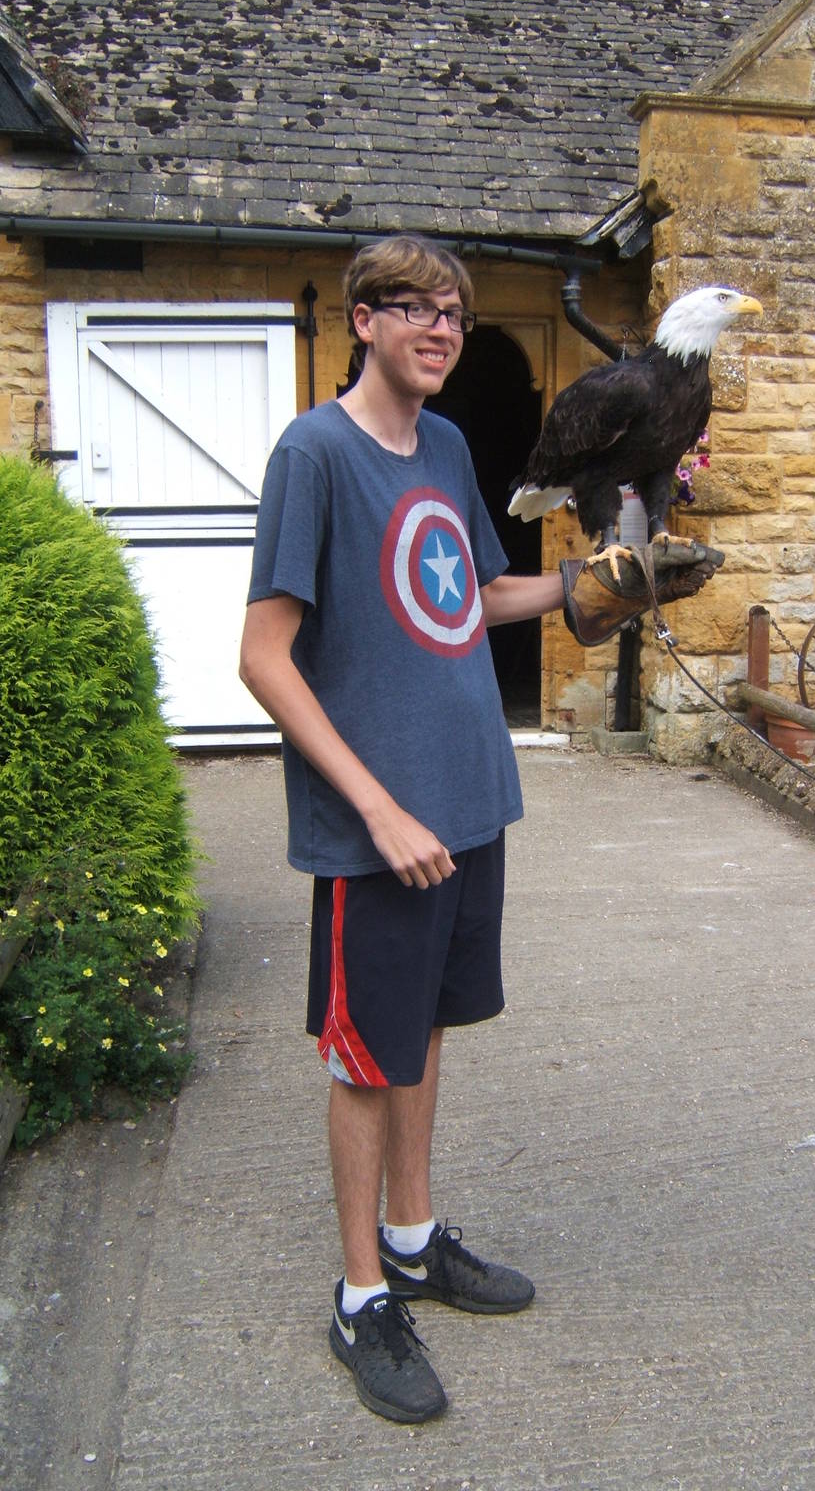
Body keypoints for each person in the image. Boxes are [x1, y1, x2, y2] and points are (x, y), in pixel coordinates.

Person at [238, 234, 564, 1425]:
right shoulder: (313, 453)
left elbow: (475, 593)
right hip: (380, 827)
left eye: (455, 314)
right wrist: (375, 805)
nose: (441, 329)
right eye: (415, 307)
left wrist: (595, 589)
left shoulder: (447, 446)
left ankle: (415, 1239)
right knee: (365, 1053)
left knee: (420, 1031)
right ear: (363, 321)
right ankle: (360, 1293)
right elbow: (262, 656)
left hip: (469, 802)